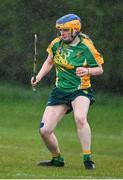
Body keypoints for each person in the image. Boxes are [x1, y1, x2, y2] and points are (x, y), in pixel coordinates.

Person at [31, 14, 104, 170]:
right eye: (60, 30)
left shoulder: (86, 46)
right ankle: (57, 159)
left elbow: (100, 69)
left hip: (80, 90)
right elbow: (49, 61)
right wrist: (38, 77)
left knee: (80, 118)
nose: (62, 33)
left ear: (75, 30)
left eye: (65, 30)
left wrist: (87, 70)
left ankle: (87, 159)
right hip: (60, 91)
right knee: (45, 130)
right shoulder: (57, 44)